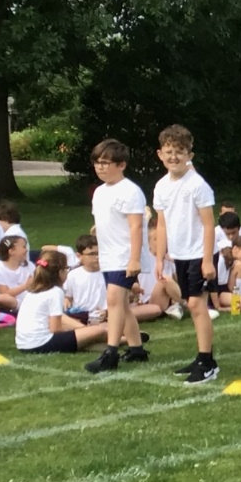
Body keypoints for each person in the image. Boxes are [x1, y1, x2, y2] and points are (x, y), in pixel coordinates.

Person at [151, 123, 221, 383]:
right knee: (191, 303)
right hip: (180, 254)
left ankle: (207, 362)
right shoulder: (161, 186)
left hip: (200, 253)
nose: (174, 157)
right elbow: (162, 224)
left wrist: (207, 260)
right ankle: (202, 357)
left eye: (179, 152)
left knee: (195, 304)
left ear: (189, 155)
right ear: (160, 154)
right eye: (169, 151)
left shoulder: (197, 185)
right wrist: (160, 258)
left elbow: (208, 224)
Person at [84, 138, 151, 372]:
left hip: (125, 255)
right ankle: (136, 348)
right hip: (109, 255)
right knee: (121, 303)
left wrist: (134, 259)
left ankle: (110, 352)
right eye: (97, 162)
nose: (100, 167)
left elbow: (136, 226)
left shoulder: (130, 191)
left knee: (113, 301)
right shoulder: (100, 192)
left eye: (105, 163)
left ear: (121, 165)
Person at [16, 253, 110, 354]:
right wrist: (79, 331)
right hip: (42, 342)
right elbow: (56, 329)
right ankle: (119, 340)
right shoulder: (56, 292)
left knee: (90, 332)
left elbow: (59, 319)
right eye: (67, 268)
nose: (67, 272)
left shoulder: (34, 291)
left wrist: (81, 329)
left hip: (23, 344)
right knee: (98, 330)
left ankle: (99, 343)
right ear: (60, 272)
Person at [63, 235, 109, 323]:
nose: (97, 257)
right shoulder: (73, 275)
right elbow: (68, 297)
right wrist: (66, 301)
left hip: (103, 316)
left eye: (99, 253)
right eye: (92, 254)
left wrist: (107, 312)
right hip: (79, 315)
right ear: (79, 256)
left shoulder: (108, 274)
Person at [0, 234, 35, 311]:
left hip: (28, 298)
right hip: (11, 301)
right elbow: (5, 293)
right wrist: (26, 286)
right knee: (3, 298)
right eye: (24, 247)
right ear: (11, 251)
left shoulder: (29, 265)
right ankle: (20, 308)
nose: (26, 250)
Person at [216, 235, 241, 313]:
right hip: (218, 293)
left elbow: (232, 287)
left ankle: (238, 302)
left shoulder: (236, 262)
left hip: (225, 291)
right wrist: (216, 305)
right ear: (235, 249)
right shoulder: (221, 260)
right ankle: (230, 306)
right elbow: (213, 285)